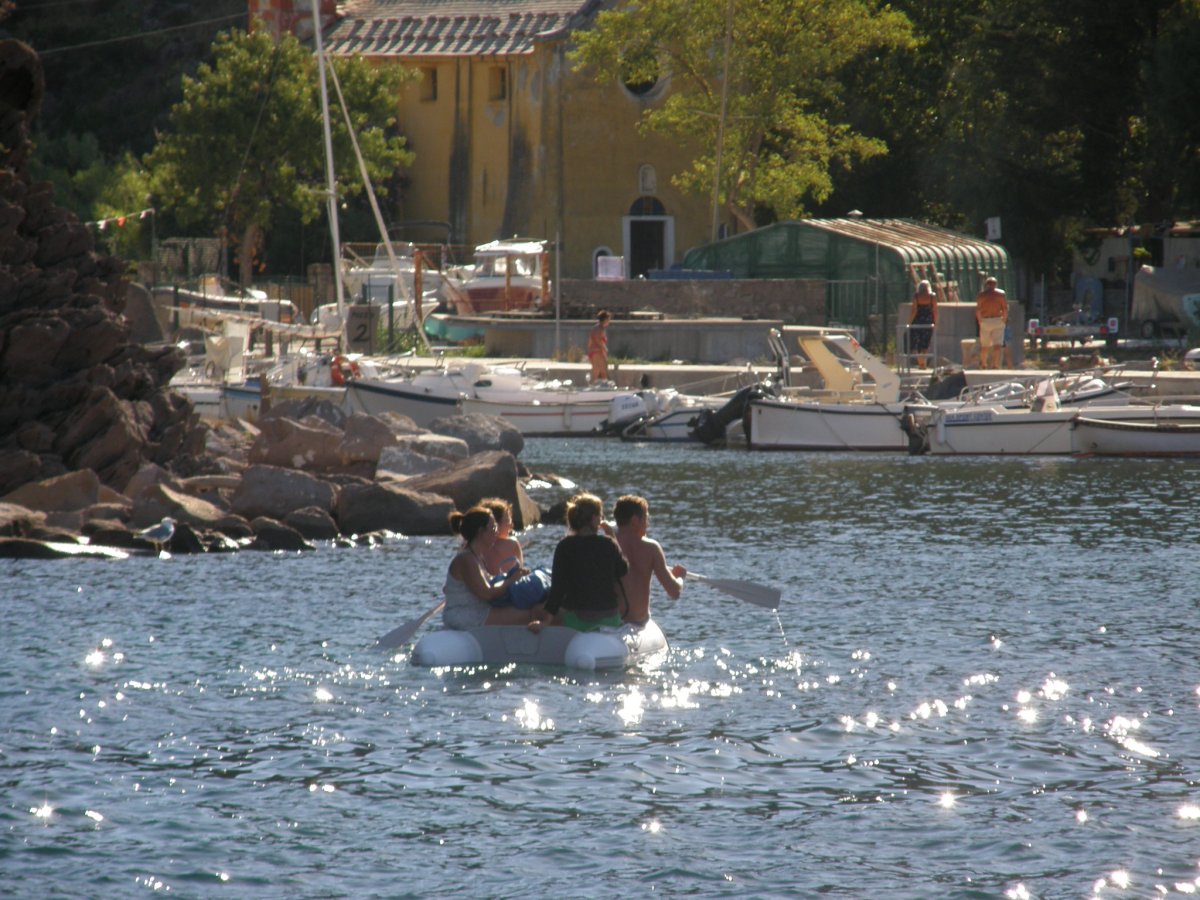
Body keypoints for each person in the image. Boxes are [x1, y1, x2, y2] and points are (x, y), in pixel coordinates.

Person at [532, 492, 629, 633]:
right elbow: (623, 570)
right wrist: (612, 538)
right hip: (610, 618)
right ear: (595, 518)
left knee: (536, 610)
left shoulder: (565, 546)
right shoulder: (608, 544)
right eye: (600, 516)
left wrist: (545, 621)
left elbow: (557, 589)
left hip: (579, 620)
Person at [442, 506, 535, 629]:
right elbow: (487, 594)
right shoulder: (466, 559)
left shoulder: (476, 556)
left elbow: (489, 585)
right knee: (533, 614)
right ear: (481, 532)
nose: (496, 532)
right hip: (465, 614)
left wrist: (511, 576)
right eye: (493, 528)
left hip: (479, 609)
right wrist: (511, 580)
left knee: (529, 606)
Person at [613, 495, 685, 625]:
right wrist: (679, 578)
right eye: (646, 518)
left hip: (612, 623)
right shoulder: (651, 548)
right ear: (635, 521)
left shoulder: (606, 545)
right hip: (639, 623)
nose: (648, 524)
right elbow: (674, 592)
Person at [479, 497, 524, 576]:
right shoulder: (512, 544)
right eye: (507, 520)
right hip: (508, 587)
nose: (511, 525)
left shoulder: (474, 547)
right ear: (495, 524)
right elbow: (520, 573)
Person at [974, 275, 1008, 370]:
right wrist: (1004, 319)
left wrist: (980, 320)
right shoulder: (1001, 294)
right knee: (997, 345)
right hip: (997, 319)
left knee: (985, 345)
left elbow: (978, 309)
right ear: (995, 284)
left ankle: (984, 364)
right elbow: (1004, 308)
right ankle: (995, 364)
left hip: (985, 320)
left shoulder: (981, 295)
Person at [908, 280, 938, 369]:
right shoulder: (932, 296)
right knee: (925, 343)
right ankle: (923, 362)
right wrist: (936, 322)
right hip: (928, 321)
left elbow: (914, 311)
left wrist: (909, 322)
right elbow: (935, 310)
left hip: (917, 320)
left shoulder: (916, 296)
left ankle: (920, 363)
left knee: (917, 343)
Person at [587, 310, 610, 383]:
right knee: (603, 371)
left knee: (596, 371)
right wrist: (604, 349)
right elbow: (598, 340)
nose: (609, 321)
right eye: (608, 319)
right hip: (598, 351)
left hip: (594, 351)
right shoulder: (599, 328)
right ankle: (604, 385)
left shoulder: (596, 327)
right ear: (605, 319)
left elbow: (590, 341)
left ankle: (594, 385)